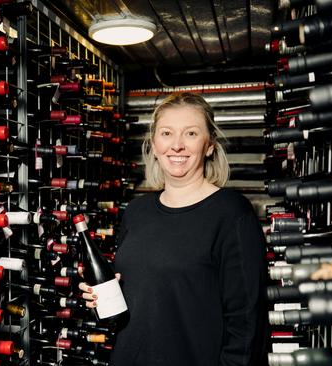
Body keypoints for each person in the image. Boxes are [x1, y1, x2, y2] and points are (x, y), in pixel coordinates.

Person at [79, 92, 268, 365]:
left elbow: (247, 325)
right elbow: (150, 297)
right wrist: (103, 298)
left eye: (191, 133)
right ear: (154, 144)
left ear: (210, 145)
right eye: (167, 133)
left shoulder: (232, 214)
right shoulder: (136, 212)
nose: (177, 145)